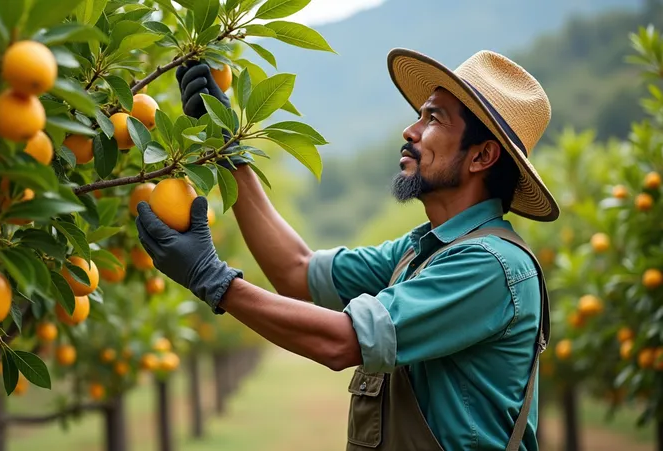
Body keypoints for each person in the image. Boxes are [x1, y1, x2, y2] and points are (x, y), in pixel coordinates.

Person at [134, 48, 558, 451]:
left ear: (482, 155)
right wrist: (230, 152)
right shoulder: (421, 253)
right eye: (418, 115)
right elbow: (296, 271)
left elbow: (342, 342)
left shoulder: (490, 266)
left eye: (433, 119)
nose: (410, 131)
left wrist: (212, 279)